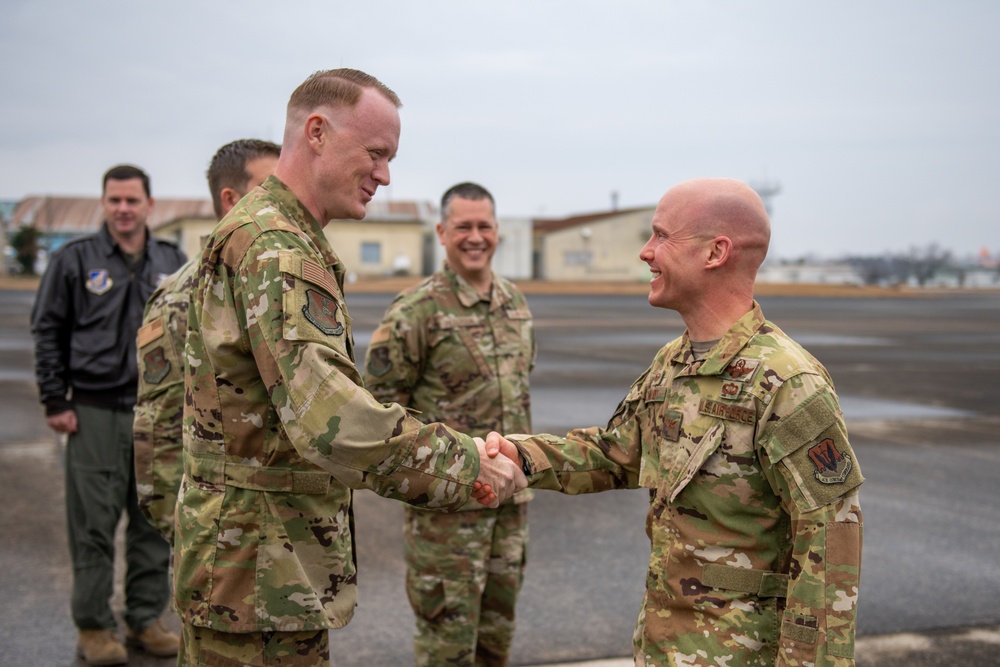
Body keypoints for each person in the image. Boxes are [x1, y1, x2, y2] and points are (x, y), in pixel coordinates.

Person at [174, 68, 525, 667]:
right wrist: (468, 464)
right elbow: (333, 419)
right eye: (376, 153)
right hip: (257, 567)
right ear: (316, 132)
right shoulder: (278, 247)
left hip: (260, 561)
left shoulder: (282, 236)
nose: (385, 175)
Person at [486, 178, 864, 667]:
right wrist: (519, 455)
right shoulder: (674, 361)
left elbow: (830, 545)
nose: (646, 252)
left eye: (662, 236)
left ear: (715, 252)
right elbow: (618, 453)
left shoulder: (787, 382)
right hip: (665, 647)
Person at [364, 182, 536, 667]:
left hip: (510, 506)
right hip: (448, 514)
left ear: (498, 231)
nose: (475, 236)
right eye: (463, 226)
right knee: (448, 648)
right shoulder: (415, 312)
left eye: (484, 226)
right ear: (442, 232)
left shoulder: (515, 304)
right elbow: (380, 413)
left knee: (495, 642)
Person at [31, 164, 187, 665]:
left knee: (153, 522)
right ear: (104, 204)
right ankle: (95, 627)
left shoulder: (172, 259)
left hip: (157, 414)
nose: (123, 209)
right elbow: (48, 329)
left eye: (132, 200)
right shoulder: (74, 260)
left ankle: (145, 619)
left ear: (149, 205)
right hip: (94, 410)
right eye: (114, 200)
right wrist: (56, 399)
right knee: (93, 525)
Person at [133, 138, 280, 541]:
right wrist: (187, 535)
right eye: (272, 190)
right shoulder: (184, 295)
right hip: (219, 536)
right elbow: (159, 425)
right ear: (230, 199)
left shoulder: (275, 280)